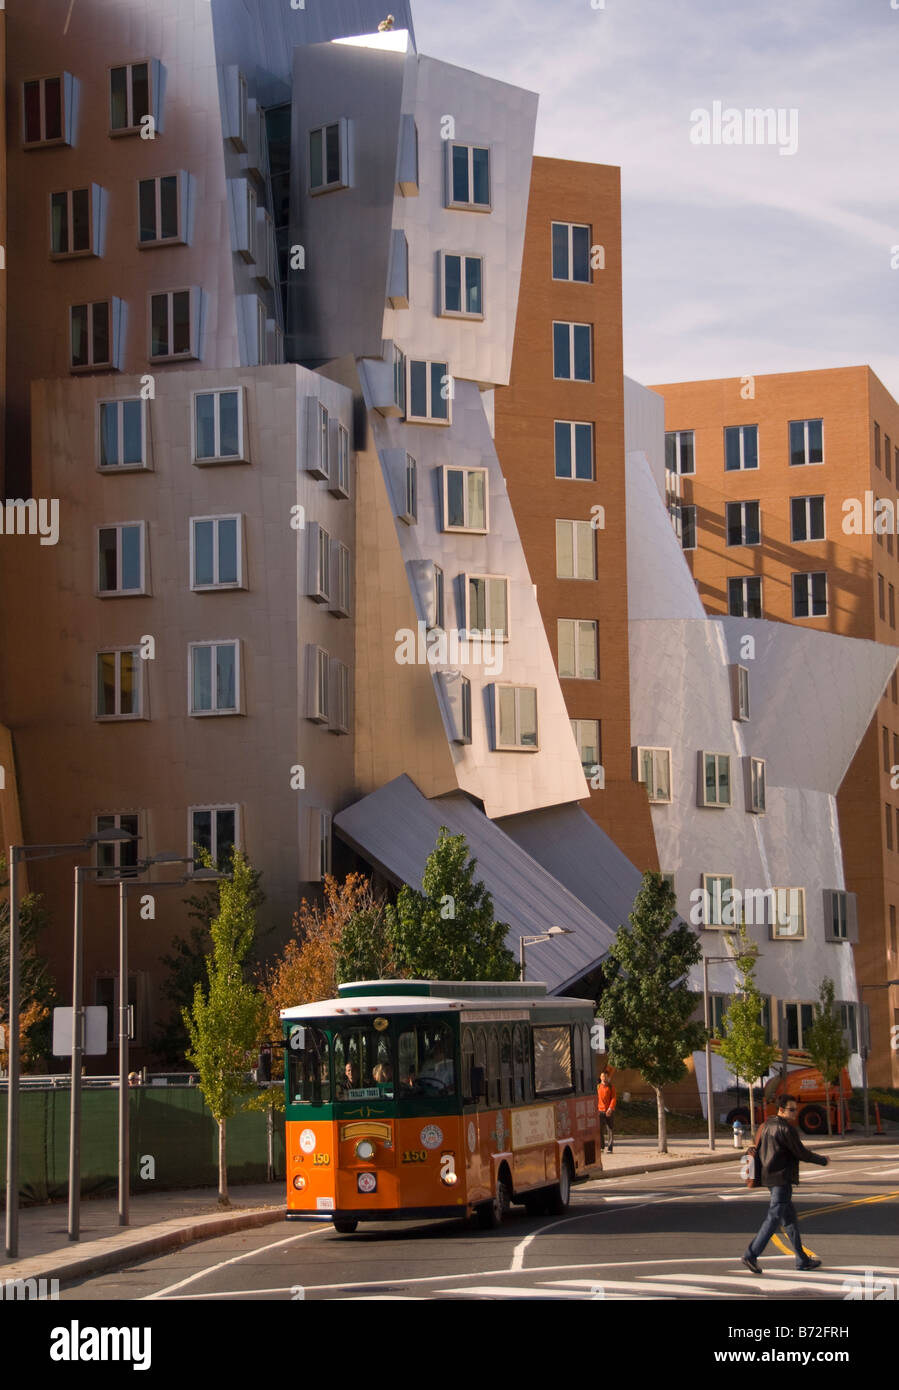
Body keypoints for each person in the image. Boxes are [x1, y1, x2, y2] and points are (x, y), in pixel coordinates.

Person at [741, 1095, 828, 1273]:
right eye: (792, 1109)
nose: (795, 1113)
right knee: (773, 1219)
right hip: (781, 1178)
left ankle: (802, 1260)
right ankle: (751, 1254)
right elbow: (801, 1153)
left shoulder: (767, 1125)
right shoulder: (785, 1129)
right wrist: (822, 1160)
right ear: (781, 1109)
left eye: (796, 1109)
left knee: (790, 1221)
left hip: (770, 1178)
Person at [596, 1069, 617, 1153]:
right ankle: (601, 1146)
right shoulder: (597, 1087)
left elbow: (614, 1098)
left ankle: (610, 1147)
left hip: (609, 1111)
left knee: (610, 1129)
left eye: (605, 1076)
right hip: (599, 1110)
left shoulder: (611, 1087)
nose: (604, 1078)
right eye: (602, 1076)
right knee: (600, 1129)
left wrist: (610, 1108)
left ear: (608, 1077)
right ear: (600, 1077)